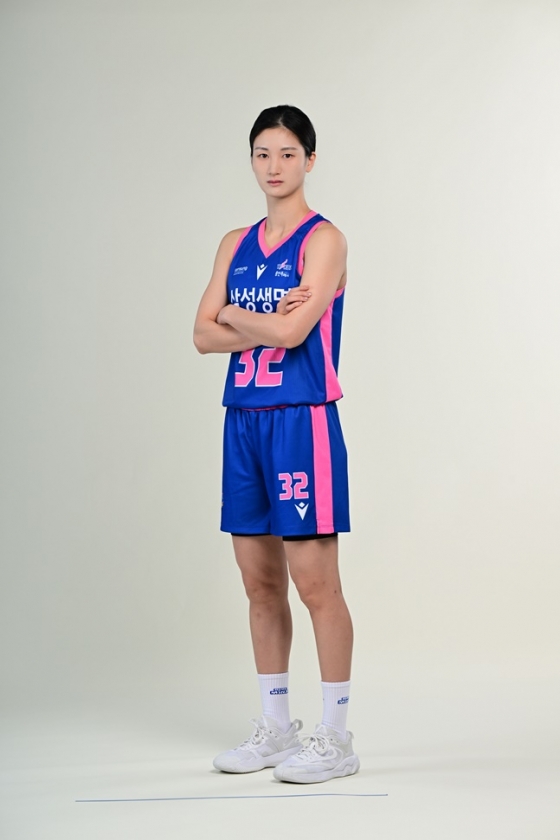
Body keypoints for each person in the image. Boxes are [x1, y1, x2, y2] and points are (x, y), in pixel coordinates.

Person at [193, 105, 358, 784]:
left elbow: (293, 336)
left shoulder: (325, 240)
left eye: (288, 153)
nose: (275, 166)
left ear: (309, 161)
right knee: (259, 584)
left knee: (316, 584)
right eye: (263, 153)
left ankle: (336, 738)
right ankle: (275, 727)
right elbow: (201, 335)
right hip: (243, 419)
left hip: (301, 420)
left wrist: (234, 314)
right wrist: (255, 316)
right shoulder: (235, 243)